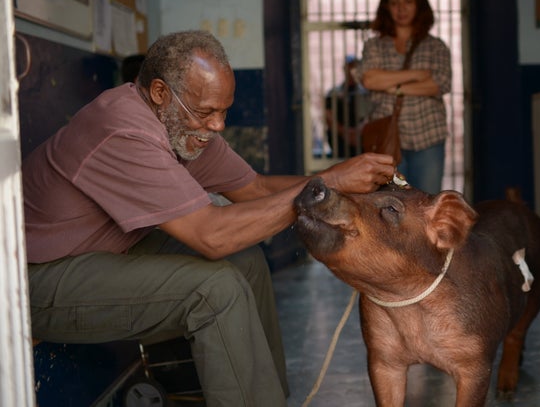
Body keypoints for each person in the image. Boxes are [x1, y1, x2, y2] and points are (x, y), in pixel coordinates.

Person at [22, 30, 395, 407]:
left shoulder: (184, 126)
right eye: (205, 112)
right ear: (160, 94)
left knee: (245, 261)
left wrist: (335, 186)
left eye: (224, 111)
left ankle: (269, 399)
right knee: (215, 290)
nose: (217, 126)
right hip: (39, 280)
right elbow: (211, 236)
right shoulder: (122, 130)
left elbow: (256, 189)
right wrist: (326, 182)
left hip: (106, 254)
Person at [359, 0, 452, 194]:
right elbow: (370, 80)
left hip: (427, 139)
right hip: (386, 143)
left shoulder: (435, 47)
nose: (401, 8)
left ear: (419, 5)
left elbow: (439, 84)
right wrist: (418, 75)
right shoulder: (374, 46)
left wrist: (394, 86)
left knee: (426, 207)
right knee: (389, 206)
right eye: (394, 2)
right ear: (386, 8)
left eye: (408, 1)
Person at [324, 55, 369, 158]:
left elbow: (371, 116)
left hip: (361, 140)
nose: (351, 72)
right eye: (349, 68)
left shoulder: (366, 93)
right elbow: (328, 117)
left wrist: (358, 133)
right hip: (340, 141)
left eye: (355, 68)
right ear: (344, 69)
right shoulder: (334, 93)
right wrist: (345, 132)